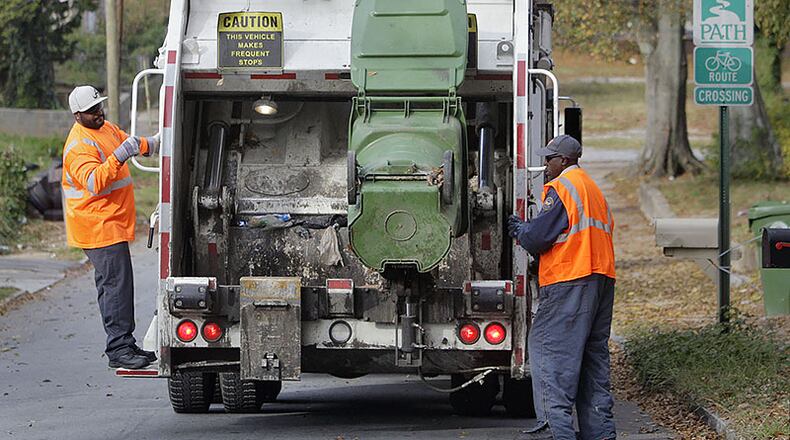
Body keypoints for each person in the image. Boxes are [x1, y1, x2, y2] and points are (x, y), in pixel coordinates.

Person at [508, 135, 616, 440]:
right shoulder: (593, 189)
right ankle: (601, 434)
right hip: (601, 280)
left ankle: (554, 431)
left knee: (549, 353)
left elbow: (538, 238)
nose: (545, 164)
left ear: (564, 161)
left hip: (570, 280)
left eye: (549, 159)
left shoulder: (563, 187)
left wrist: (521, 230)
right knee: (592, 361)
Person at [62, 85, 160, 370]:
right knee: (117, 286)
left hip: (109, 222)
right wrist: (119, 156)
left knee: (114, 286)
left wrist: (156, 142)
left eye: (99, 107)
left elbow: (133, 144)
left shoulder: (106, 129)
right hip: (97, 226)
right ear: (77, 115)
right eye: (91, 111)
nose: (99, 113)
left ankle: (124, 344)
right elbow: (94, 181)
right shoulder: (78, 146)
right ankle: (119, 348)